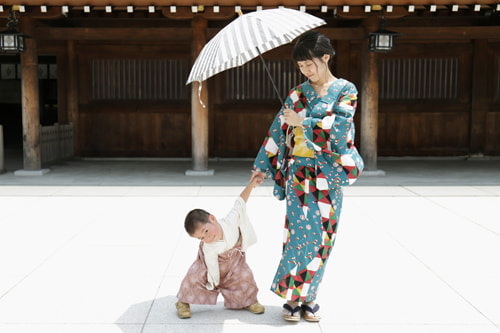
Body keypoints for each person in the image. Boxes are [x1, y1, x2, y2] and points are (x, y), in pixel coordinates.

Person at [251, 30, 364, 322]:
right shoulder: (297, 94)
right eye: (301, 66)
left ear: (325, 57)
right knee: (300, 235)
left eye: (309, 64)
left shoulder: (346, 90)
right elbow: (278, 129)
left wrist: (304, 122)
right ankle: (293, 297)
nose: (305, 70)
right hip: (299, 174)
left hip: (329, 174)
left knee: (324, 236)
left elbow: (339, 129)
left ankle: (310, 296)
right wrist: (263, 164)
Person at [175, 174, 266, 319]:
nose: (207, 237)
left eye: (206, 231)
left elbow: (240, 202)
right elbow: (211, 264)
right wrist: (214, 281)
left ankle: (249, 300)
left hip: (235, 262)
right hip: (211, 266)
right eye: (201, 238)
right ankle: (183, 302)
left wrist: (251, 185)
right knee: (194, 278)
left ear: (212, 219)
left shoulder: (229, 221)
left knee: (245, 277)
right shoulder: (208, 247)